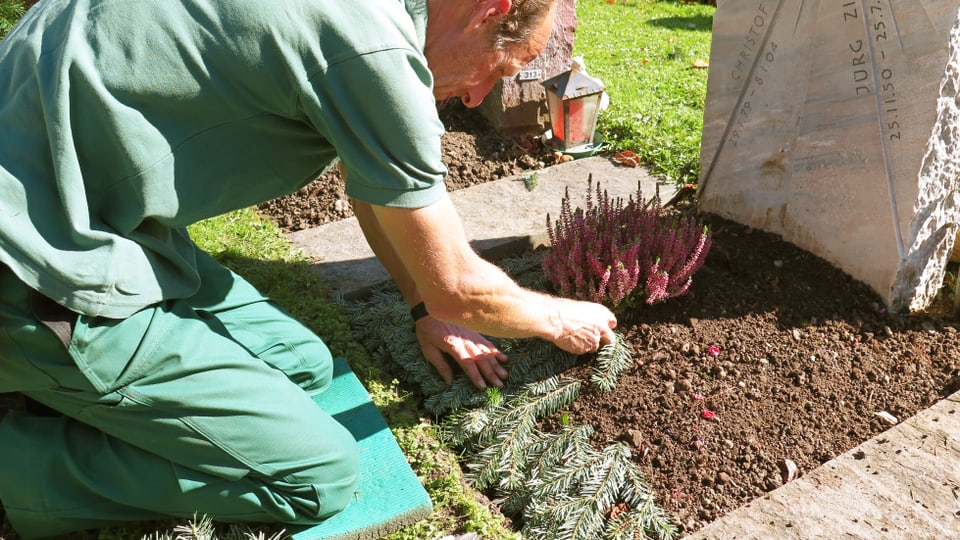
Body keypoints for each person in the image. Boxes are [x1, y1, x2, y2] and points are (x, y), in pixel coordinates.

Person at [0, 0, 617, 536]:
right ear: (490, 11)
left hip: (85, 208)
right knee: (316, 477)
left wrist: (424, 307)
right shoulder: (372, 48)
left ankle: (82, 393)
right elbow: (462, 286)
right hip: (39, 264)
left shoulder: (364, 16)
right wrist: (557, 315)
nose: (480, 95)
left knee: (303, 363)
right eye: (499, 70)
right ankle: (22, 470)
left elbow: (376, 188)